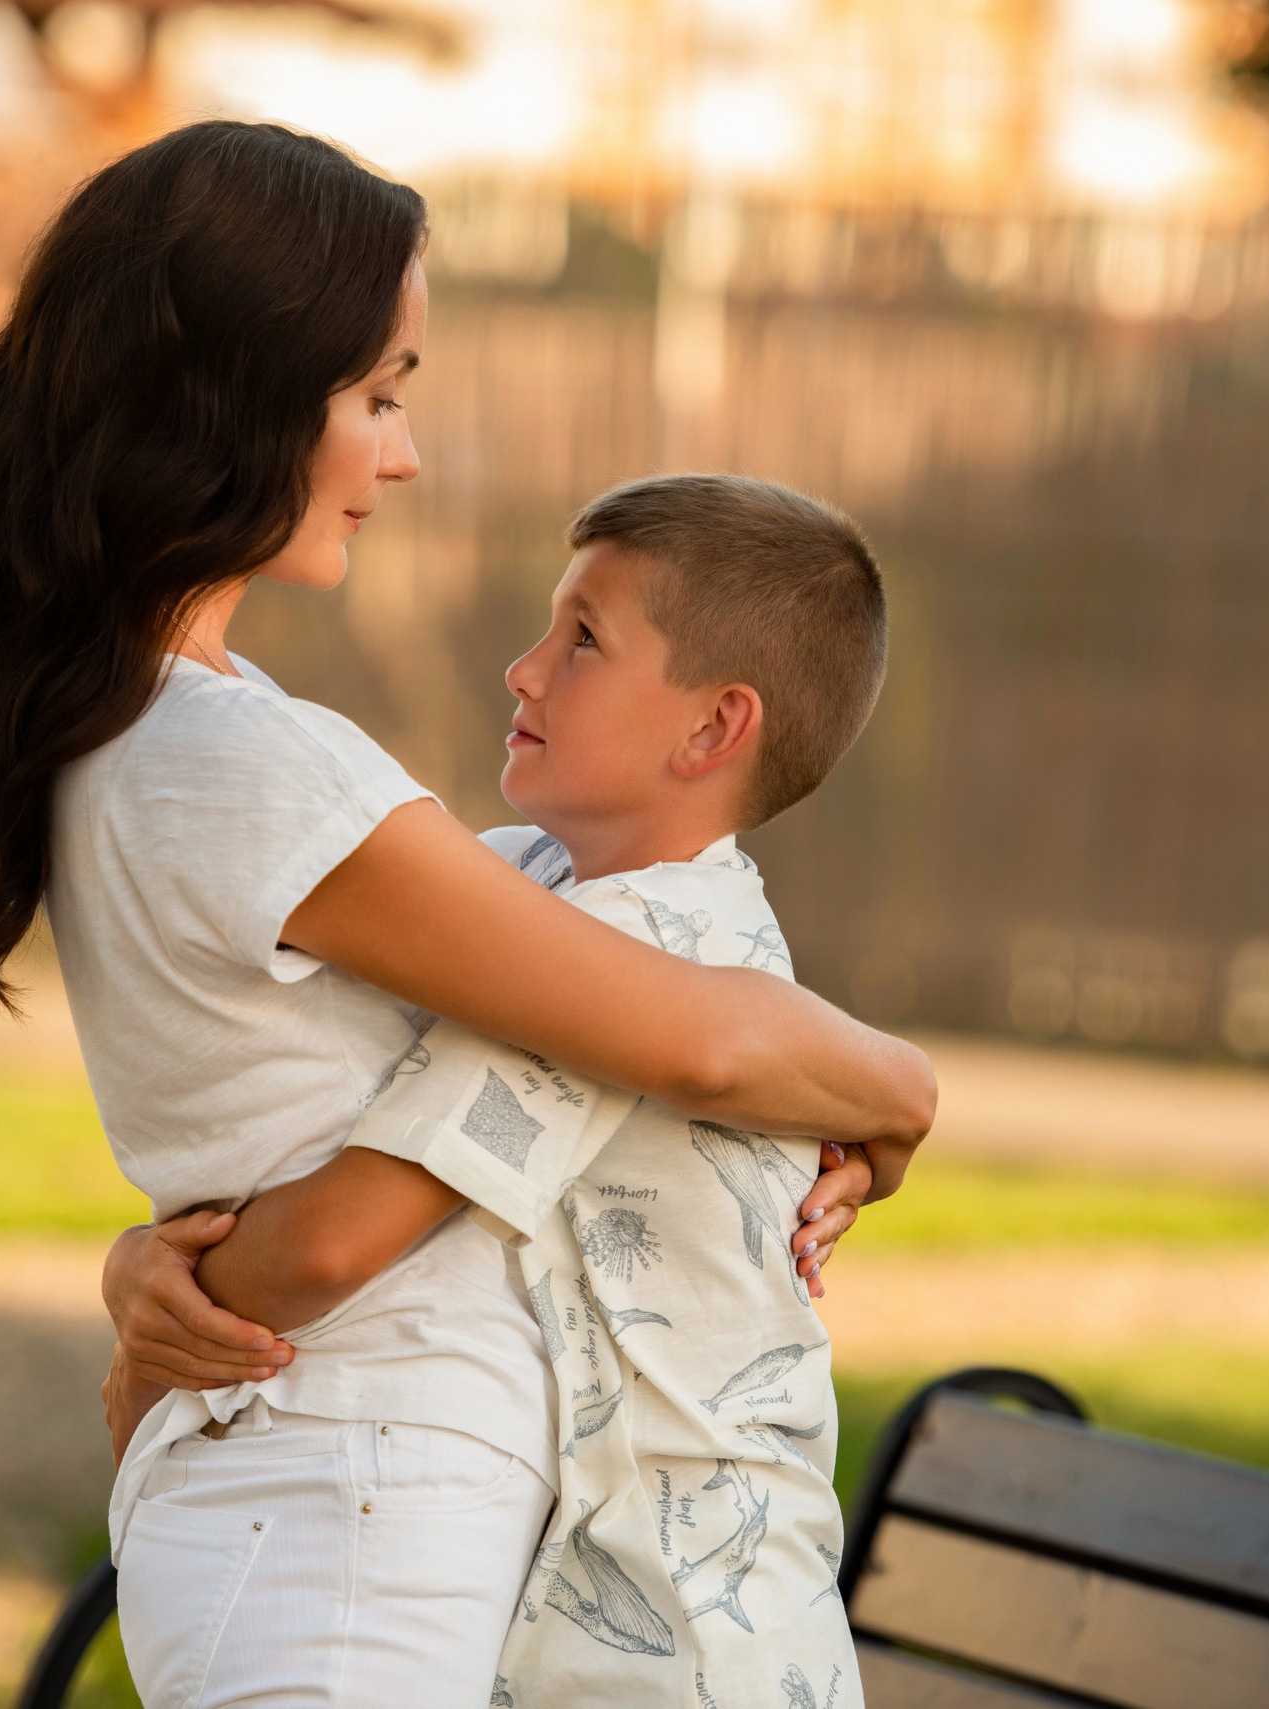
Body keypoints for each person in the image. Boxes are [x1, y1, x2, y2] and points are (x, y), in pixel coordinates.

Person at [0, 122, 934, 1708]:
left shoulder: (170, 731)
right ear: (238, 399)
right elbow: (681, 1032)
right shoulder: (246, 764)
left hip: (335, 1500)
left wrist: (145, 1282)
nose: (402, 456)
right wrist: (906, 1095)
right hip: (347, 1510)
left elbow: (292, 1123)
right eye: (380, 396)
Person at [302, 472, 886, 1706]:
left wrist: (152, 1296)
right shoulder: (558, 884)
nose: (522, 669)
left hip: (681, 1640)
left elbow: (338, 1240)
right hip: (660, 1610)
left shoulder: (625, 961)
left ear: (713, 728)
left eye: (581, 640)